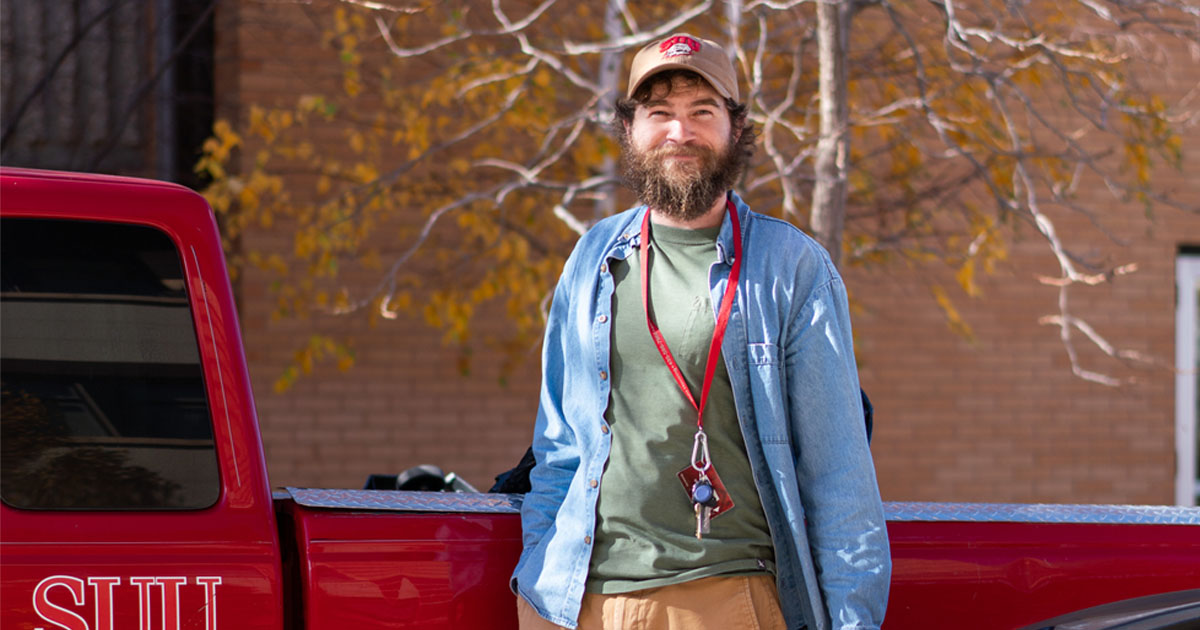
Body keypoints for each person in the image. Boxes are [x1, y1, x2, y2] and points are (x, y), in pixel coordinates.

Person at [512, 32, 890, 630]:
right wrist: (539, 574)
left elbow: (839, 479)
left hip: (723, 596)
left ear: (736, 129)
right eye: (658, 113)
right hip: (572, 601)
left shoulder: (790, 268)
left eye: (701, 113)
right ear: (631, 129)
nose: (679, 133)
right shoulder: (591, 260)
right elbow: (558, 447)